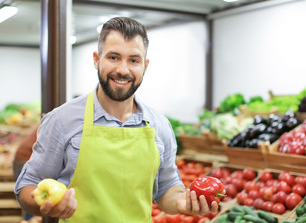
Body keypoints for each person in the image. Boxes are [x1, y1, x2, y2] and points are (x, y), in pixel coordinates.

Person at [14, 17, 219, 222]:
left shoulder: (160, 125)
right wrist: (46, 206)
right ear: (97, 59)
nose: (123, 69)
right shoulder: (61, 120)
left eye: (134, 60)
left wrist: (181, 202)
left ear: (145, 66)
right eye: (113, 57)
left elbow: (166, 188)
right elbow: (27, 185)